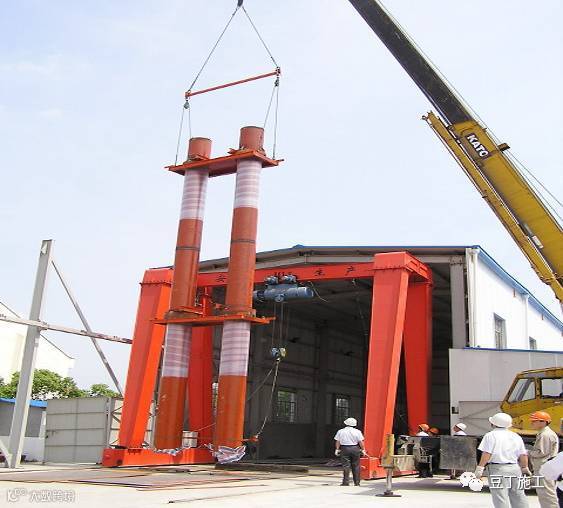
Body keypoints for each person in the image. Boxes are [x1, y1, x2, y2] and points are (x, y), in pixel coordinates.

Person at [475, 412, 530, 508]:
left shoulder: (490, 435)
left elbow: (487, 453)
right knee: (518, 494)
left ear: (493, 423)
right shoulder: (515, 436)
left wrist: (480, 468)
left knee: (500, 496)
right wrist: (525, 467)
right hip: (515, 468)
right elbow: (523, 454)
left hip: (497, 469)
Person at [528, 411, 559, 508]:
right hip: (544, 467)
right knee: (544, 493)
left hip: (544, 468)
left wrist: (528, 452)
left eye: (534, 421)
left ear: (543, 422)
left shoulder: (546, 435)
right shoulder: (544, 433)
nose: (532, 423)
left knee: (547, 494)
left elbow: (542, 452)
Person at [334, 417, 367, 486]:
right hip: (355, 448)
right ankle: (357, 482)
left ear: (346, 423)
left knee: (346, 466)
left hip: (344, 449)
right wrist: (363, 449)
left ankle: (345, 482)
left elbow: (338, 441)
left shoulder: (340, 431)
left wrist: (337, 449)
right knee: (356, 465)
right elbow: (361, 442)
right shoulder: (357, 431)